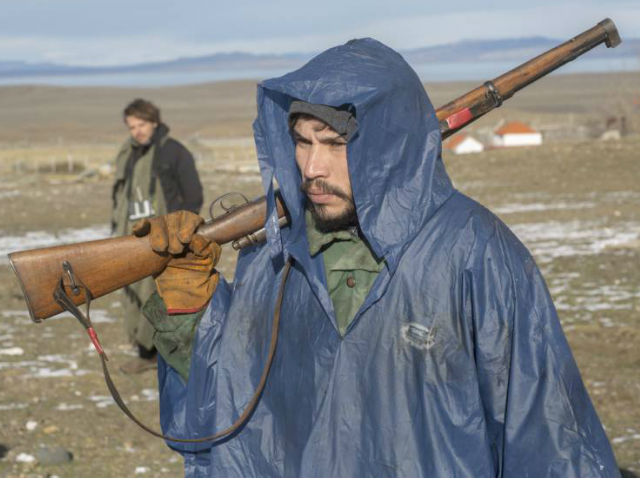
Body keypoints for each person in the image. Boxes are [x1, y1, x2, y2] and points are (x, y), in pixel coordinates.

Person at [135, 40, 619, 476]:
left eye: (334, 144)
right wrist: (189, 309)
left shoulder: (476, 253)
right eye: (302, 141)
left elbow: (549, 439)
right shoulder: (273, 260)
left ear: (389, 147)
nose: (311, 167)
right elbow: (222, 419)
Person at [111, 98, 203, 373]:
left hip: (166, 238)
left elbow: (193, 195)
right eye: (132, 126)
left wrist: (178, 232)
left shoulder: (174, 152)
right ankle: (145, 352)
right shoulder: (129, 155)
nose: (137, 131)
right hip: (133, 235)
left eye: (141, 124)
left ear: (154, 122)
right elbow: (121, 197)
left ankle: (160, 354)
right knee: (134, 291)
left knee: (161, 294)